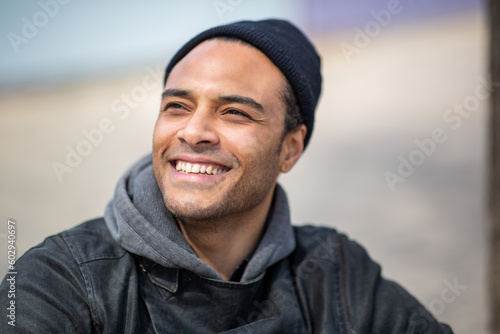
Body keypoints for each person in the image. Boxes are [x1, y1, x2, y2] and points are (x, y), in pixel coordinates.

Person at [0, 19, 453, 333]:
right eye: (176, 106)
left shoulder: (334, 276)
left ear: (290, 149)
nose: (193, 132)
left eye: (234, 112)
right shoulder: (61, 280)